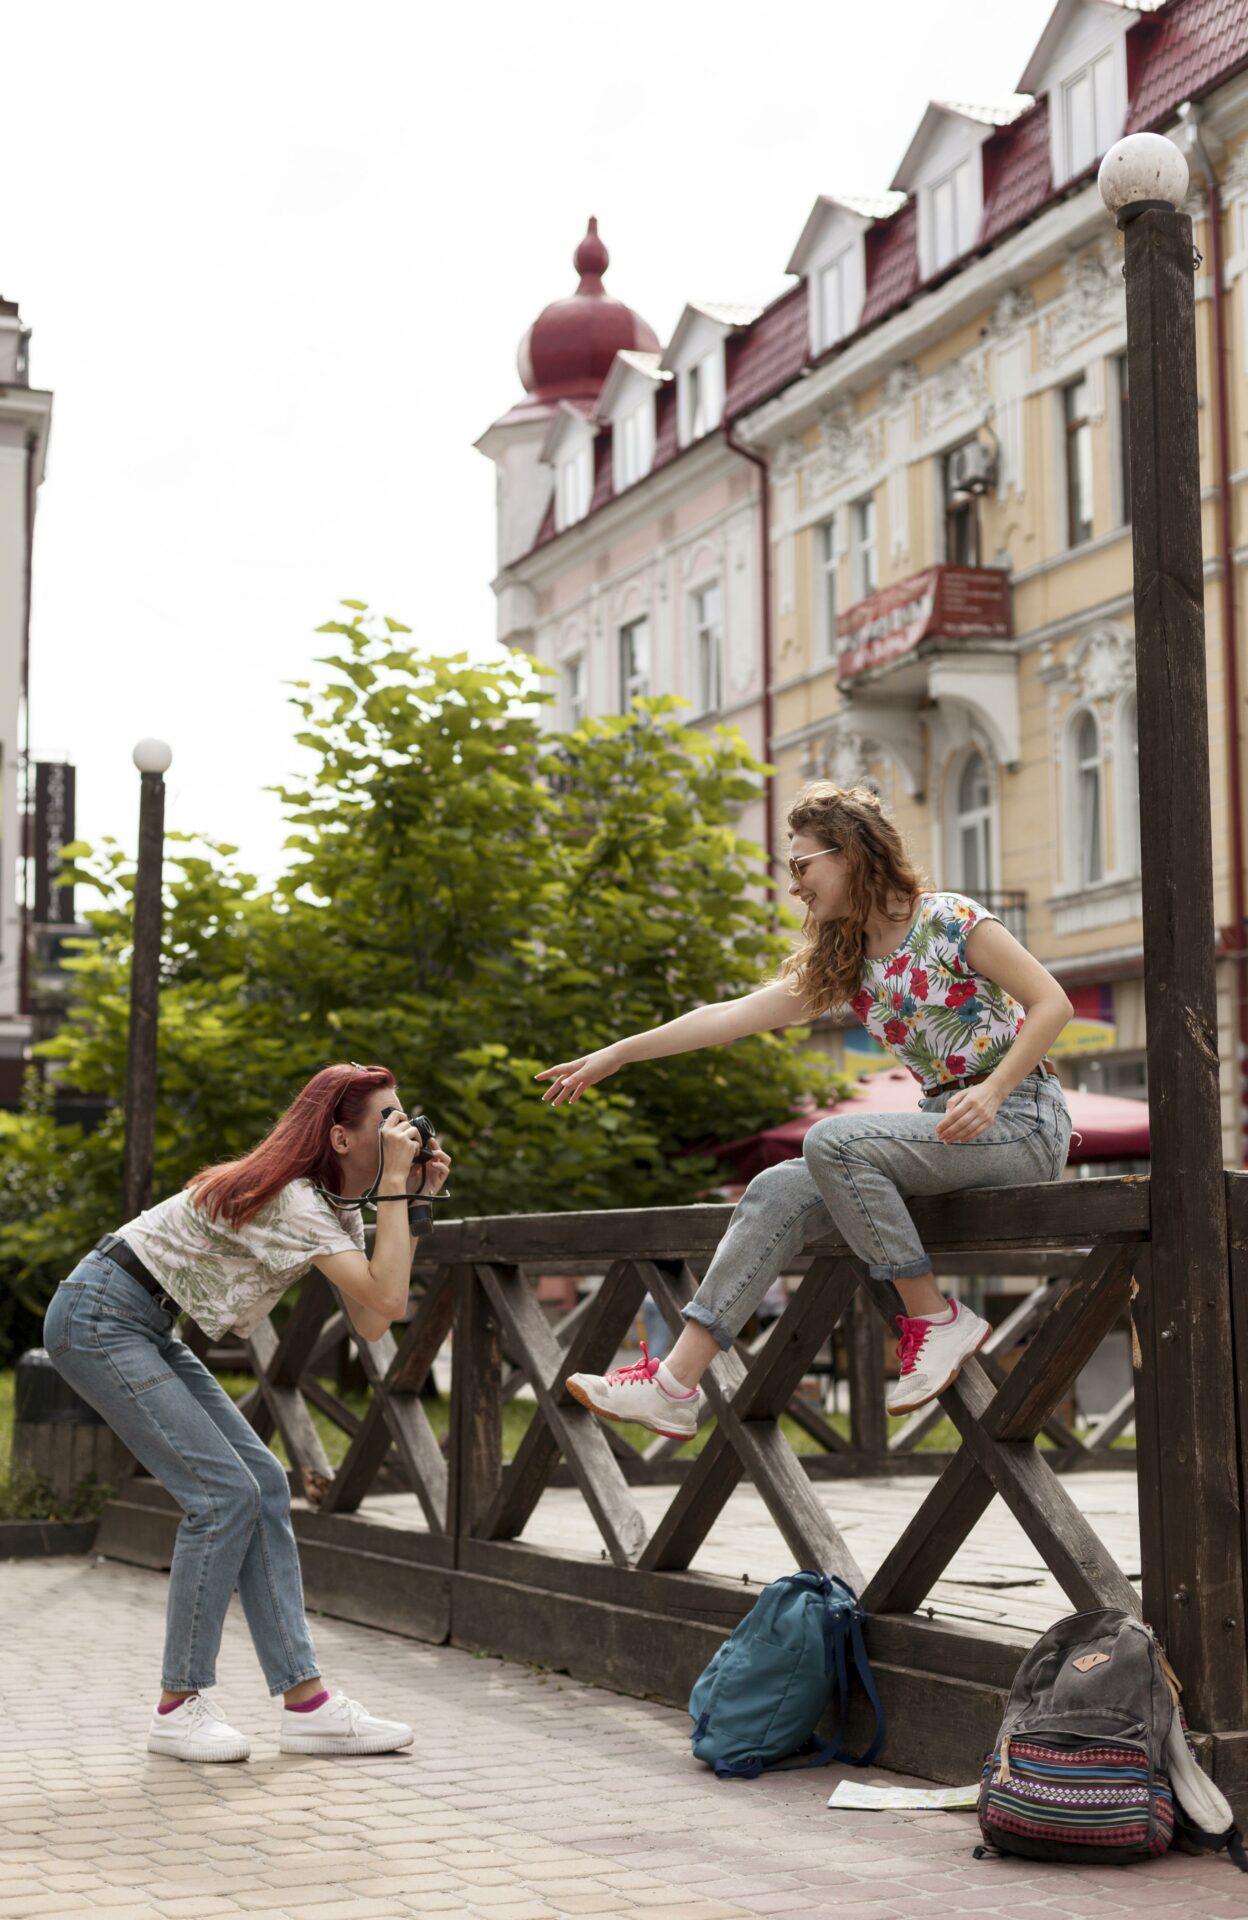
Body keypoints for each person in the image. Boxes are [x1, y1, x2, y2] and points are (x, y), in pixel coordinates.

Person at [536, 782, 1074, 1438]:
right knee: (776, 1188)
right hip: (946, 1130)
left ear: (848, 855)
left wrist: (991, 1091)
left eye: (802, 865)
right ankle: (675, 1386)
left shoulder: (951, 921)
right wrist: (616, 1054)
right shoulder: (849, 963)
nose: (795, 885)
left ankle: (933, 1319)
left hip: (1022, 1121)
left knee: (833, 1141)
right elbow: (730, 1015)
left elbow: (1053, 1004)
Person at [42, 1062, 451, 1764]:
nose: (401, 1131)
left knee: (260, 1483)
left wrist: (412, 1204)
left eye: (402, 1117)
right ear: (341, 1137)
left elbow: (376, 1318)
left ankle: (309, 1705)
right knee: (221, 1494)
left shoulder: (334, 1204)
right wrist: (393, 1188)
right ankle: (179, 1705)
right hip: (100, 1314)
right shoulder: (297, 1200)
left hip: (144, 1323)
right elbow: (384, 1305)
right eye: (386, 1120)